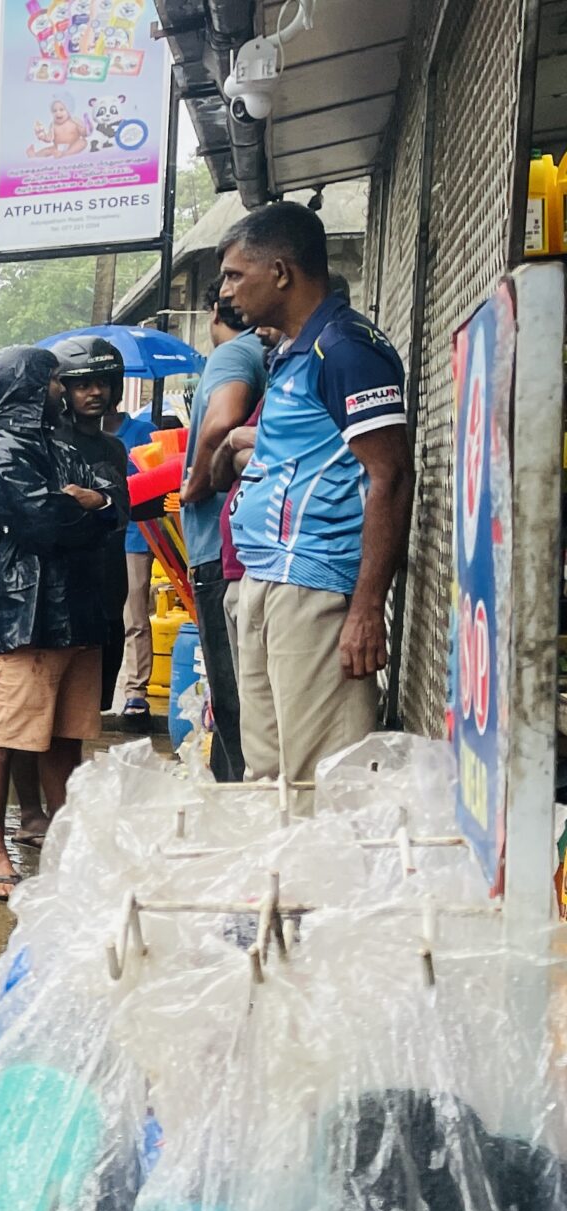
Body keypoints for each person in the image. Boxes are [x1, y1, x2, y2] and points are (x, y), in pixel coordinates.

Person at [217, 199, 411, 783]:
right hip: (266, 578)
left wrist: (367, 609)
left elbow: (392, 475)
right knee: (266, 776)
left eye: (235, 275)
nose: (226, 292)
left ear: (280, 272)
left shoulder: (347, 349)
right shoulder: (291, 352)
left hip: (315, 587)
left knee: (319, 782)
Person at [0, 346, 123, 901]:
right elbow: (45, 521)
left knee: (64, 741)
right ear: (30, 386)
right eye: (56, 381)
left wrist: (94, 502)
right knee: (0, 741)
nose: (64, 391)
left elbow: (114, 511)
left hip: (76, 615)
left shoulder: (65, 447)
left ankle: (65, 847)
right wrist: (89, 507)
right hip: (18, 617)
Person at [175, 297, 270, 782]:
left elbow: (220, 421)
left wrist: (194, 485)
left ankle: (235, 805)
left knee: (234, 702)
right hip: (249, 551)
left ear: (215, 311)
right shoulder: (270, 355)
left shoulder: (234, 354)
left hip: (220, 552)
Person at [49, 336, 151, 716]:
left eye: (102, 383)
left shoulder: (114, 448)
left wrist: (101, 501)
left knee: (88, 711)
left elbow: (120, 509)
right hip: (62, 595)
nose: (95, 392)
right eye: (82, 385)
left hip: (108, 588)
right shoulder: (50, 442)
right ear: (64, 389)